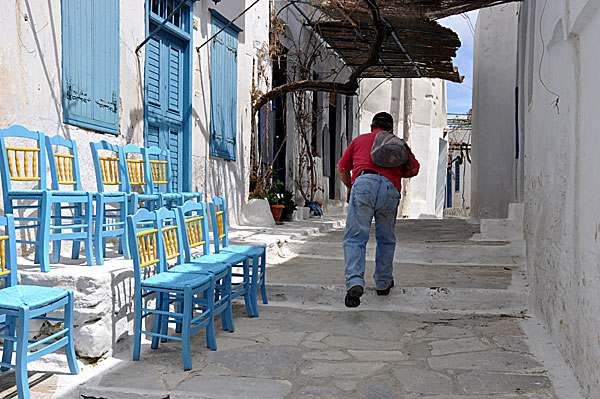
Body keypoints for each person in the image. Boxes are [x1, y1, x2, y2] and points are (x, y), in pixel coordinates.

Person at [336, 112, 420, 308]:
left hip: (364, 183)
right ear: (390, 128)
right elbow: (414, 169)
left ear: (372, 126)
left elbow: (342, 168)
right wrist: (396, 172)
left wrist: (351, 186)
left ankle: (355, 283)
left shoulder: (360, 141)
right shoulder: (398, 143)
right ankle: (383, 282)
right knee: (386, 237)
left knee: (356, 237)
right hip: (390, 188)